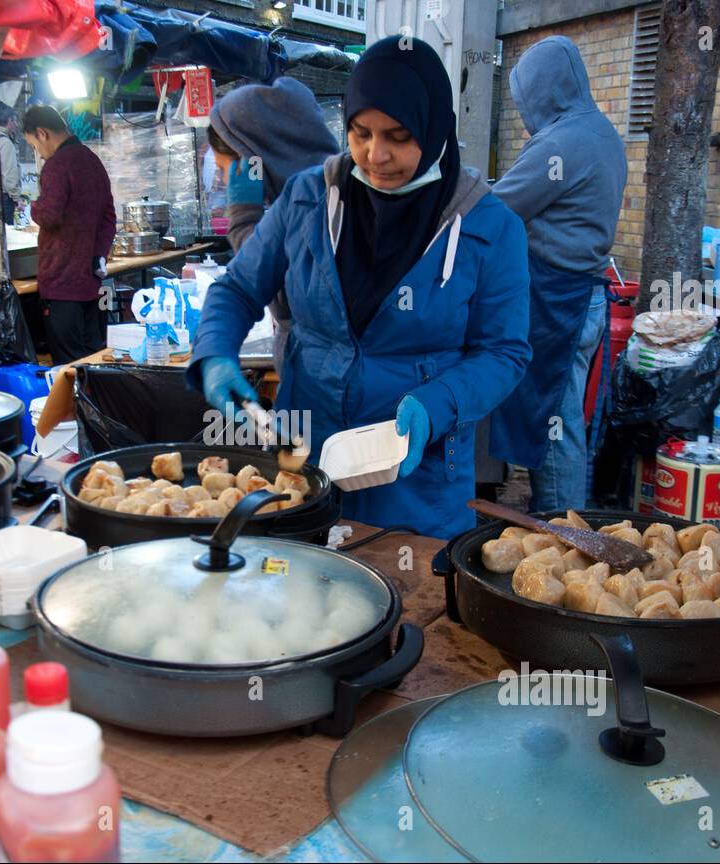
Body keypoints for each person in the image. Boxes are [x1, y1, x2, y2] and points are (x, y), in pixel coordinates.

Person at [187, 37, 531, 538]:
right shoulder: (308, 197)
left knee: (408, 602)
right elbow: (239, 288)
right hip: (304, 460)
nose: (376, 154)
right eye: (360, 132)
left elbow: (504, 353)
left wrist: (438, 404)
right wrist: (215, 353)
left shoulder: (488, 226)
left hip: (415, 470)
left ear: (433, 128)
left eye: (397, 135)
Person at [490, 35, 627, 511]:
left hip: (558, 301)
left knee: (556, 419)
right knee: (564, 417)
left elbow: (498, 209)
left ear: (541, 90)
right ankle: (561, 516)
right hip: (580, 295)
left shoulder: (562, 142)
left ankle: (563, 530)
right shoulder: (600, 131)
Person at [206, 77, 339, 376]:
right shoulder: (315, 194)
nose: (224, 182)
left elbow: (272, 290)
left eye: (224, 169)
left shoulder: (319, 207)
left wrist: (243, 217)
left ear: (253, 160)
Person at [22, 104, 116, 365]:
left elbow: (49, 215)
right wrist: (98, 254)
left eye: (34, 145)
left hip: (62, 281)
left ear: (42, 133)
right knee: (93, 359)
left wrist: (33, 206)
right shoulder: (91, 159)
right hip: (90, 281)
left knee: (69, 367)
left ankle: (76, 408)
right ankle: (97, 406)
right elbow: (109, 217)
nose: (38, 153)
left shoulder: (57, 165)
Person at [0, 106, 22, 224]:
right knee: (7, 235)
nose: (16, 125)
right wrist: (17, 198)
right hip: (5, 198)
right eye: (15, 121)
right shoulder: (6, 143)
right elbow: (9, 173)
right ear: (10, 121)